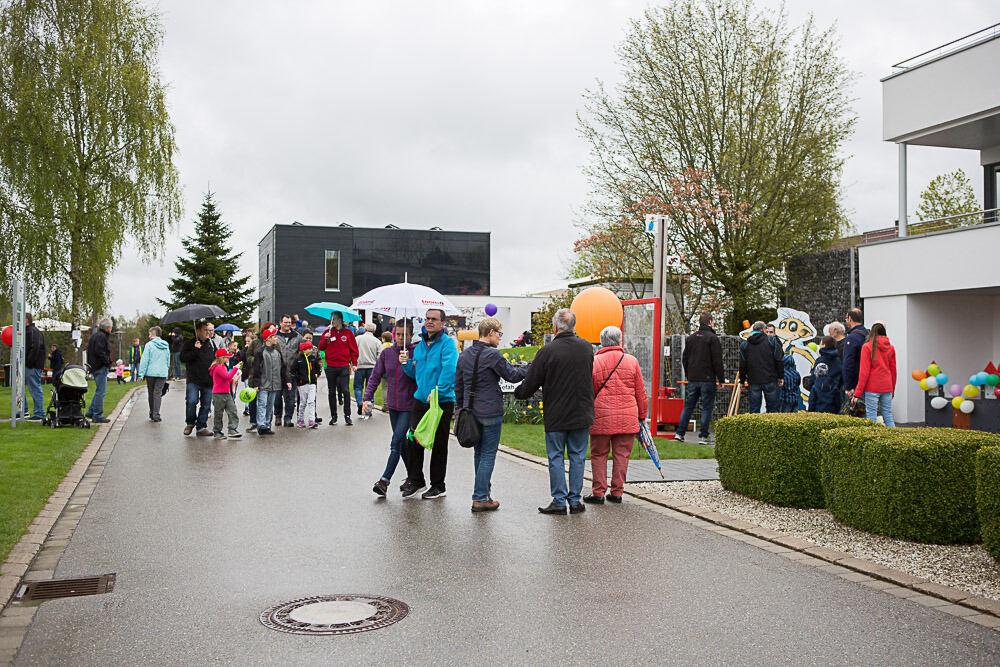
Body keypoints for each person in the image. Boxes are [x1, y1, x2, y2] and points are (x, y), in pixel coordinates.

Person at [514, 308, 594, 515]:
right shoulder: (587, 348)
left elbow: (532, 380)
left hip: (557, 412)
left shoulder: (548, 351)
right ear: (573, 326)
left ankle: (559, 500)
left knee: (556, 457)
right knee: (578, 456)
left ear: (555, 327)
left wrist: (519, 392)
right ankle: (575, 500)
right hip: (581, 411)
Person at [455, 317, 528, 512]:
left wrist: (460, 410)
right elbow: (512, 376)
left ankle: (484, 493)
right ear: (490, 333)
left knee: (479, 453)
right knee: (488, 454)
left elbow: (459, 386)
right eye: (499, 334)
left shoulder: (464, 355)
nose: (500, 338)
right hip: (490, 411)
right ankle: (480, 497)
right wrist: (532, 367)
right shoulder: (493, 356)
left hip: (470, 411)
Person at [400, 308, 459, 500]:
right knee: (413, 439)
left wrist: (438, 392)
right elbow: (414, 374)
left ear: (443, 323)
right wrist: (405, 363)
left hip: (440, 401)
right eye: (427, 319)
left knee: (439, 444)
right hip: (420, 399)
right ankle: (417, 480)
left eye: (434, 319)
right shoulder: (419, 346)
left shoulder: (448, 344)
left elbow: (449, 370)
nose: (429, 322)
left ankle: (438, 485)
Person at [584, 326, 647, 505]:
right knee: (622, 455)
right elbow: (640, 392)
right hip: (628, 416)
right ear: (619, 340)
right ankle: (617, 492)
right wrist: (642, 415)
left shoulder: (595, 361)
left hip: (601, 416)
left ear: (602, 341)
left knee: (598, 454)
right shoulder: (632, 361)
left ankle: (598, 492)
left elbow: (590, 390)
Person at [365, 319, 418, 497]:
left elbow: (421, 377)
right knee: (401, 443)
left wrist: (409, 363)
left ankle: (384, 481)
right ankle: (414, 477)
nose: (401, 338)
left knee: (396, 442)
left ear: (411, 335)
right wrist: (367, 398)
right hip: (393, 406)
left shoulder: (416, 352)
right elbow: (375, 376)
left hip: (409, 406)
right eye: (398, 334)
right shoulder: (387, 353)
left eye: (405, 335)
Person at [675, 313, 724, 444]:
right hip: (707, 378)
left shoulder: (691, 338)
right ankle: (703, 435)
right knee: (707, 407)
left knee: (689, 406)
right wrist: (721, 379)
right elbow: (717, 361)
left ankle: (680, 433)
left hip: (693, 378)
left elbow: (685, 358)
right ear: (710, 322)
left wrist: (688, 373)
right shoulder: (713, 338)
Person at [852, 322, 897, 427]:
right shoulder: (891, 348)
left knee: (871, 417)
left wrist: (857, 394)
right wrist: (893, 389)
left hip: (872, 387)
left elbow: (864, 372)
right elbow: (893, 371)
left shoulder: (867, 347)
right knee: (888, 416)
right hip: (887, 386)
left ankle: (873, 440)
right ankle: (895, 439)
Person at [318, 312, 358, 426]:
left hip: (344, 365)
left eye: (334, 319)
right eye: (331, 319)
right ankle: (334, 416)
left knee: (345, 390)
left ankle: (347, 415)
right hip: (331, 366)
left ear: (340, 319)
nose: (333, 321)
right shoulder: (327, 332)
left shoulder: (348, 333)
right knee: (331, 391)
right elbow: (321, 347)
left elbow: (354, 349)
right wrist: (325, 339)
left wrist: (354, 363)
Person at [250, 328, 291, 435]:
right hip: (263, 383)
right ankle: (261, 425)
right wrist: (256, 384)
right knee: (262, 404)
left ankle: (267, 424)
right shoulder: (260, 352)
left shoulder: (277, 352)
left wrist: (287, 380)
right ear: (268, 338)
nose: (276, 338)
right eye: (274, 336)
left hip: (275, 383)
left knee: (270, 405)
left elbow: (283, 367)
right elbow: (257, 369)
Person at [180, 321, 217, 436]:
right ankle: (190, 423)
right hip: (194, 379)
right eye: (205, 330)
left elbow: (217, 358)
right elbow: (183, 358)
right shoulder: (190, 343)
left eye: (208, 330)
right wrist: (195, 349)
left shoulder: (211, 343)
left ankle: (201, 426)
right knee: (191, 401)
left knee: (206, 405)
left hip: (208, 380)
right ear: (198, 331)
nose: (208, 332)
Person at [739, 321, 783, 414]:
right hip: (770, 379)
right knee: (772, 411)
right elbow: (779, 360)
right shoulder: (772, 342)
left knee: (754, 410)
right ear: (763, 330)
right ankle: (771, 428)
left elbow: (743, 365)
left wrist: (742, 381)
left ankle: (755, 429)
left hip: (753, 380)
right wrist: (780, 376)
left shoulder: (745, 345)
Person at [271, 315, 302, 427]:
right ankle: (278, 416)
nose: (288, 324)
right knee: (277, 396)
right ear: (280, 323)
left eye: (289, 322)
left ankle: (288, 418)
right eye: (285, 322)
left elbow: (300, 352)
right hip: (277, 372)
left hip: (292, 372)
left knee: (290, 397)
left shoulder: (297, 336)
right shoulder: (274, 336)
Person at [137, 326, 170, 422]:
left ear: (153, 334)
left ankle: (152, 412)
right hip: (162, 372)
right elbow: (167, 359)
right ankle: (156, 414)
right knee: (158, 393)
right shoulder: (165, 345)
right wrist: (166, 370)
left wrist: (141, 374)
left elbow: (144, 360)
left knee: (151, 393)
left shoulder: (149, 345)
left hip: (151, 372)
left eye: (149, 334)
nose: (148, 336)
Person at [210, 348, 242, 439]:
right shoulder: (218, 367)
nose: (228, 359)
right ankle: (217, 431)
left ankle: (232, 429)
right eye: (226, 357)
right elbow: (227, 376)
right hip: (218, 394)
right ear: (222, 358)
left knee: (233, 410)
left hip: (226, 393)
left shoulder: (223, 366)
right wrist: (235, 368)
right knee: (218, 413)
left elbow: (227, 378)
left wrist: (233, 379)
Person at [85, 318, 112, 423]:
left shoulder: (95, 336)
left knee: (99, 390)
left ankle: (91, 411)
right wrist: (107, 362)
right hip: (100, 366)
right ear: (108, 328)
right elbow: (100, 352)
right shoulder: (102, 337)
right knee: (101, 391)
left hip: (94, 366)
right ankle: (97, 415)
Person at [807, 336, 843, 414]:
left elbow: (813, 376)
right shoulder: (837, 360)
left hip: (819, 392)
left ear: (824, 345)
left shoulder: (820, 360)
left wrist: (811, 386)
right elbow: (841, 376)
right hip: (833, 393)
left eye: (821, 343)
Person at [354, 323, 381, 418]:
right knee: (370, 388)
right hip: (372, 367)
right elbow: (379, 356)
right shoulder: (377, 341)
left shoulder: (357, 339)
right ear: (374, 330)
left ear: (365, 329)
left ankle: (359, 402)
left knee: (358, 387)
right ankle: (368, 408)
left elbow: (353, 351)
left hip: (359, 366)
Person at [842, 308, 869, 401]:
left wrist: (848, 386)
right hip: (869, 381)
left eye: (846, 318)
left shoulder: (852, 338)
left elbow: (848, 363)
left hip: (856, 384)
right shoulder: (867, 334)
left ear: (850, 318)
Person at [23, 313, 46, 421]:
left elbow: (35, 347)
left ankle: (39, 413)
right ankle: (24, 410)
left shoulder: (32, 331)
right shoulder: (31, 331)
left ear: (27, 320)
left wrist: (29, 362)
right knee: (23, 387)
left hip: (32, 365)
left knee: (35, 388)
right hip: (32, 364)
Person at [293, 341, 321, 428]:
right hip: (302, 384)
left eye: (311, 348)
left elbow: (318, 367)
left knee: (311, 401)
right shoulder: (298, 360)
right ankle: (300, 419)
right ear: (303, 350)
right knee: (303, 402)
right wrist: (299, 378)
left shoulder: (313, 358)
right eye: (308, 349)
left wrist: (317, 373)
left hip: (312, 383)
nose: (311, 350)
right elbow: (293, 371)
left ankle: (311, 419)